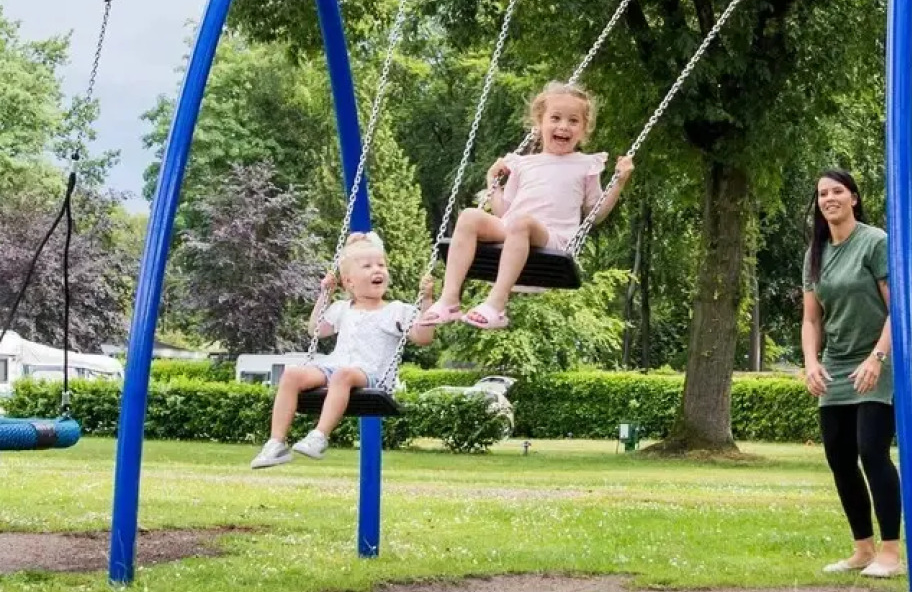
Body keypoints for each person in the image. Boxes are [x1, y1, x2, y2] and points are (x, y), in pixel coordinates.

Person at [417, 81, 633, 330]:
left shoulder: (586, 164)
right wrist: (493, 184)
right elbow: (504, 212)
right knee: (469, 216)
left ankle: (496, 304)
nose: (563, 126)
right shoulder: (523, 163)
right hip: (514, 229)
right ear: (539, 123)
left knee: (522, 223)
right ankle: (450, 299)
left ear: (584, 130)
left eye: (573, 121)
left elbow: (595, 213)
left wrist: (618, 182)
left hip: (552, 237)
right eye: (555, 118)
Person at [250, 232, 435, 469]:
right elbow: (315, 329)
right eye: (367, 266)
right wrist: (324, 294)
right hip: (335, 366)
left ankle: (319, 436)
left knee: (343, 375)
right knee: (292, 375)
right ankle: (276, 444)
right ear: (349, 282)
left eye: (381, 265)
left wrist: (427, 300)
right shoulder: (342, 308)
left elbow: (424, 337)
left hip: (372, 375)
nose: (377, 270)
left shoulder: (397, 311)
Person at [801, 169, 904, 578]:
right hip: (838, 363)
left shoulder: (875, 242)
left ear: (854, 198)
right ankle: (862, 549)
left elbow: (898, 310)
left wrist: (877, 358)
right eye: (822, 193)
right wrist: (811, 362)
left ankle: (891, 554)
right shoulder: (814, 254)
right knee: (839, 457)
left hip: (879, 358)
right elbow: (812, 319)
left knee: (871, 451)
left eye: (837, 191)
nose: (829, 198)